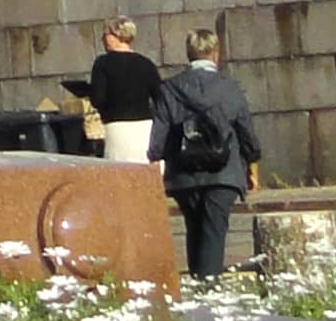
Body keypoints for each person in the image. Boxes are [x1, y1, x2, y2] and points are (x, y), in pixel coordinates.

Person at [157, 29, 263, 281]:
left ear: (188, 53)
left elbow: (159, 133)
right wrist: (252, 163)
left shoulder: (169, 88)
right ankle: (208, 289)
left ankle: (199, 283)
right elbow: (245, 129)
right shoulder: (230, 87)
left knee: (194, 229)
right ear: (216, 54)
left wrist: (157, 159)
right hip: (223, 171)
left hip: (184, 172)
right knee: (214, 231)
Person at [81, 19, 167, 156]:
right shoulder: (146, 63)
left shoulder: (102, 64)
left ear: (117, 35)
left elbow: (98, 99)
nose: (103, 38)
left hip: (116, 127)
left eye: (106, 34)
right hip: (145, 128)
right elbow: (160, 97)